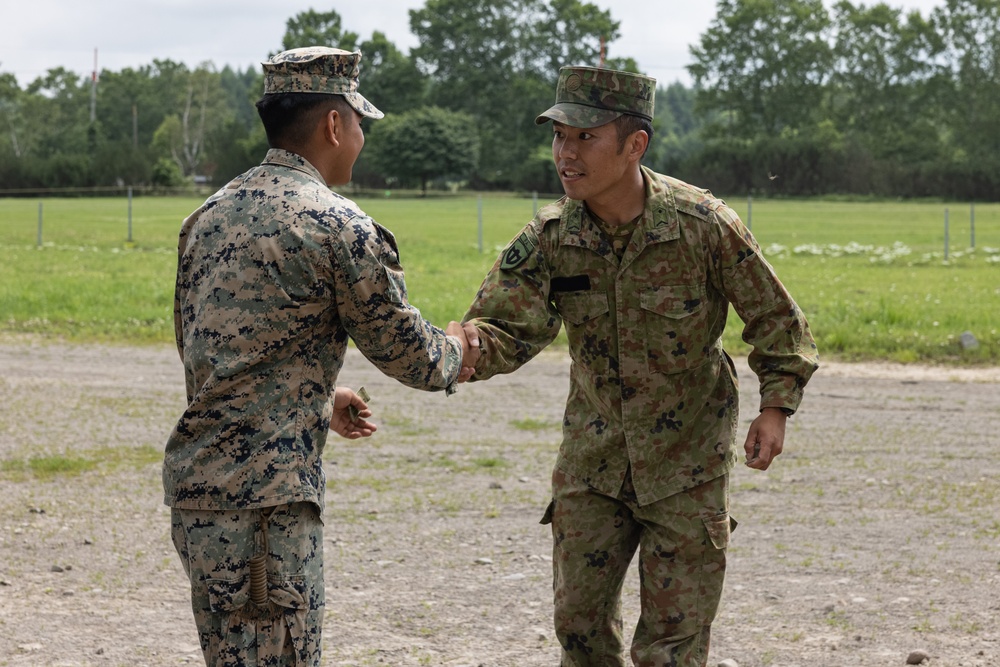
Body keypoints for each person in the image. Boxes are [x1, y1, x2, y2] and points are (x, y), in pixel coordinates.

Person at [461, 66, 819, 666]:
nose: (565, 154)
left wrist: (776, 408)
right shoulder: (550, 236)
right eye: (558, 137)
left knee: (672, 644)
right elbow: (506, 327)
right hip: (592, 461)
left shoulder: (704, 225)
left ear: (635, 144)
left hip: (687, 463)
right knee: (578, 627)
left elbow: (780, 324)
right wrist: (464, 347)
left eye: (584, 137)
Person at [163, 46, 478, 667]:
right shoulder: (338, 225)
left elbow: (210, 354)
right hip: (266, 508)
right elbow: (408, 352)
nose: (361, 136)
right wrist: (460, 348)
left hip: (201, 494)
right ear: (335, 124)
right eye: (359, 121)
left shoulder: (207, 216)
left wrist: (312, 395)